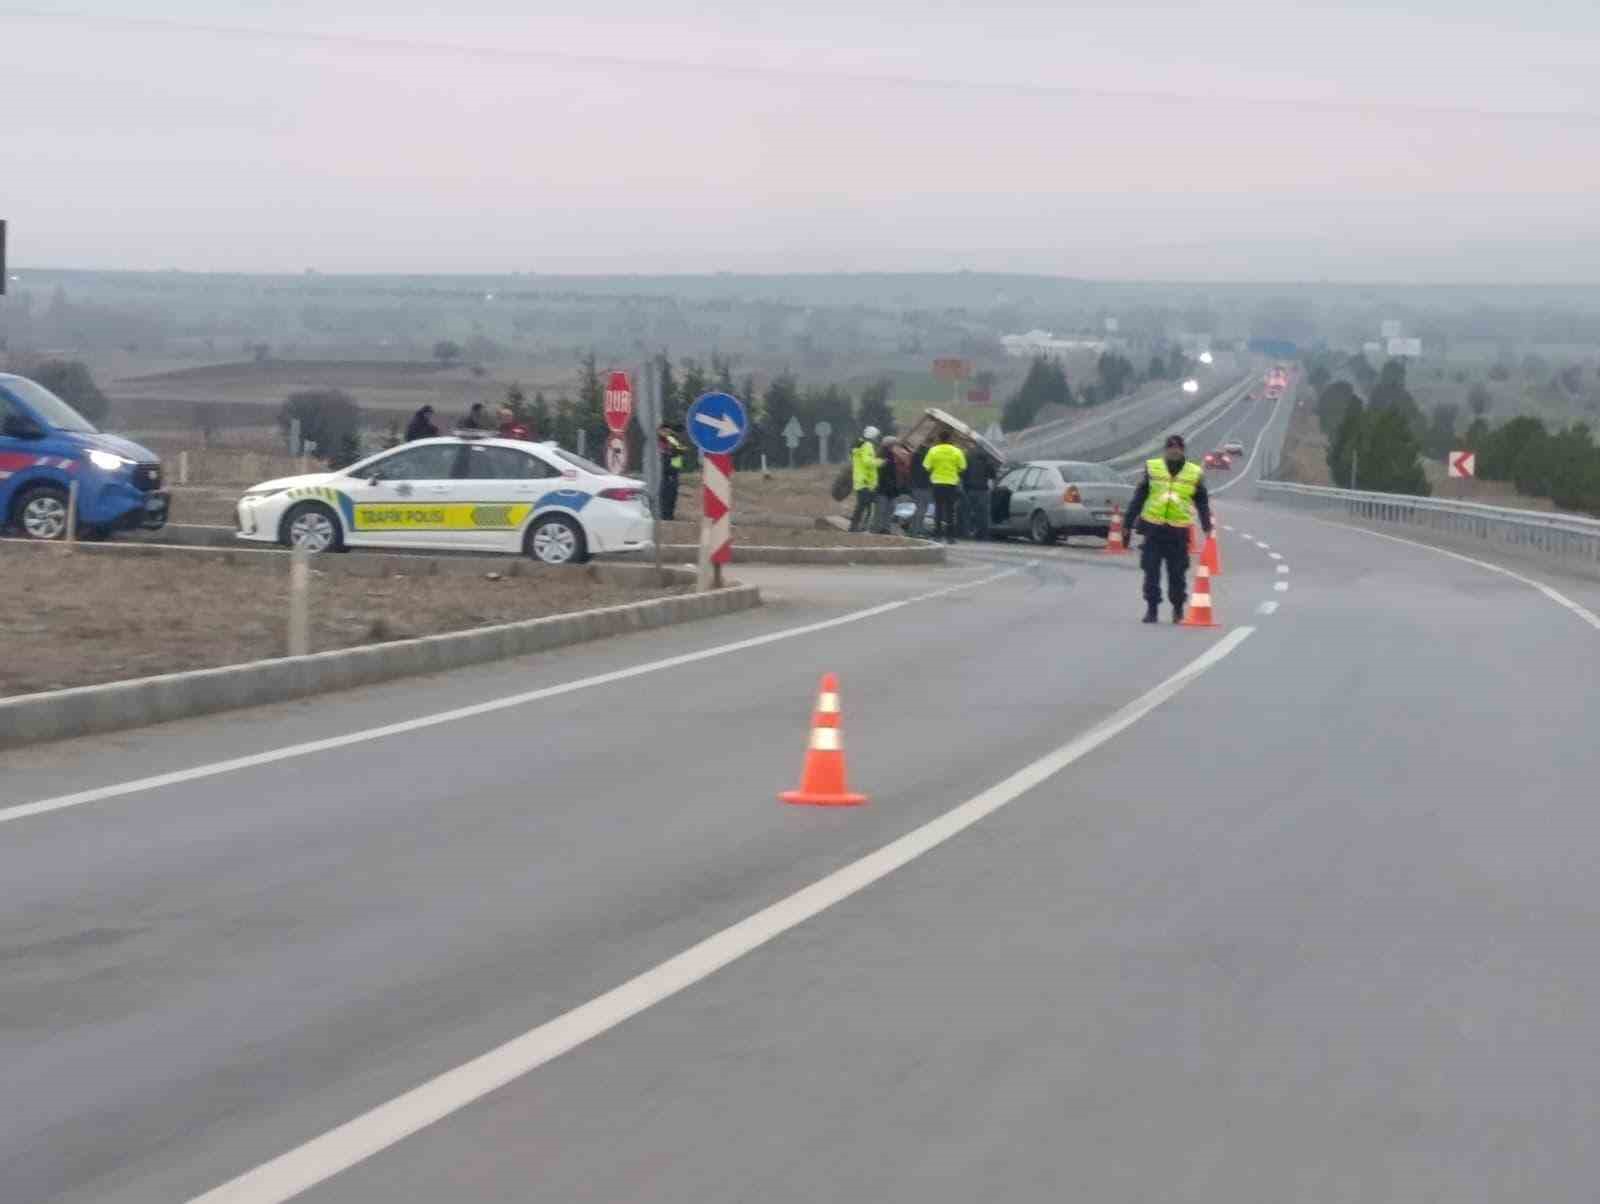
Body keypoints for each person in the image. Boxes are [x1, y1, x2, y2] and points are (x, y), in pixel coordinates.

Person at [1124, 433, 1213, 623]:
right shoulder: (1153, 469)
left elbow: (1202, 502)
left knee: (1177, 573)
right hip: (1153, 530)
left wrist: (1207, 526)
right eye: (1171, 447)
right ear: (1165, 450)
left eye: (1178, 448)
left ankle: (1178, 609)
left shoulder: (1193, 473)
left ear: (1183, 450)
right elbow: (1139, 497)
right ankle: (1152, 609)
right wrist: (1127, 522)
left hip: (1178, 533)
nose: (1174, 450)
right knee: (1151, 572)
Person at [922, 429, 968, 543]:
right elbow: (963, 467)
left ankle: (937, 535)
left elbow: (926, 466)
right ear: (950, 439)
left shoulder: (933, 451)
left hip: (937, 483)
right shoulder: (957, 451)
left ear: (939, 439)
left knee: (938, 509)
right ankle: (950, 537)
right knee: (950, 511)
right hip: (951, 483)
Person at [849, 425, 884, 532]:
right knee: (865, 506)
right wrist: (880, 462)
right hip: (866, 481)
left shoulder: (859, 445)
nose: (877, 439)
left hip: (860, 480)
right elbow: (867, 462)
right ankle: (859, 527)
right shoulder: (867, 445)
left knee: (862, 506)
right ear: (873, 436)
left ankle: (856, 527)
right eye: (876, 436)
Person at [961, 448, 996, 541]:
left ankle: (966, 534)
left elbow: (962, 473)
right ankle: (983, 534)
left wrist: (964, 485)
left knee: (966, 513)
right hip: (983, 490)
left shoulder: (967, 457)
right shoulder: (987, 459)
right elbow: (992, 475)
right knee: (983, 514)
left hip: (969, 490)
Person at [656, 422, 686, 519]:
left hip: (673, 471)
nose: (667, 433)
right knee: (665, 495)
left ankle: (669, 515)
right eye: (664, 431)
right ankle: (664, 515)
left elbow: (681, 450)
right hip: (665, 472)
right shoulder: (660, 441)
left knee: (672, 495)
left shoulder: (672, 440)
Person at [872, 435, 901, 534]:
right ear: (890, 445)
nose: (895, 446)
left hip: (887, 488)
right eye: (894, 444)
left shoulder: (889, 454)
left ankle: (883, 529)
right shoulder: (883, 456)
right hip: (884, 488)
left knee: (885, 510)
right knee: (883, 510)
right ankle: (879, 529)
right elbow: (883, 472)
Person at [906, 437, 933, 536]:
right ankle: (917, 530)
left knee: (919, 508)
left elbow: (911, 469)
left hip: (915, 485)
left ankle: (913, 529)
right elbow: (929, 470)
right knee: (922, 509)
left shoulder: (916, 454)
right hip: (925, 485)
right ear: (931, 443)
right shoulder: (929, 454)